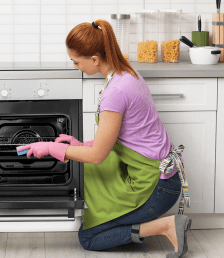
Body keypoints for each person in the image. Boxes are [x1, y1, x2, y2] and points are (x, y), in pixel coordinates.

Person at [18, 19, 192, 258]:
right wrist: (79, 146)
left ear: (94, 59)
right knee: (87, 167)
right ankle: (133, 224)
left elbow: (98, 155)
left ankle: (166, 226)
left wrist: (49, 147)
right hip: (158, 174)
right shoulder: (125, 74)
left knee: (89, 238)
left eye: (76, 61)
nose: (75, 66)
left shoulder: (116, 91)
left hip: (155, 187)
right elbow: (120, 140)